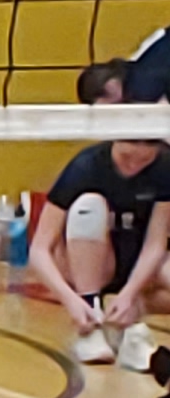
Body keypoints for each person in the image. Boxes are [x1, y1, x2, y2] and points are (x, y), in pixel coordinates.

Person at [41, 60, 170, 377]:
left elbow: (156, 243)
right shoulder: (87, 167)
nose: (137, 157)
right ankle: (91, 322)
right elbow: (40, 249)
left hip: (140, 264)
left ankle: (129, 322)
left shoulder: (164, 166)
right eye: (128, 149)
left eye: (147, 148)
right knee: (88, 207)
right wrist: (71, 300)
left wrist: (129, 295)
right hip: (93, 261)